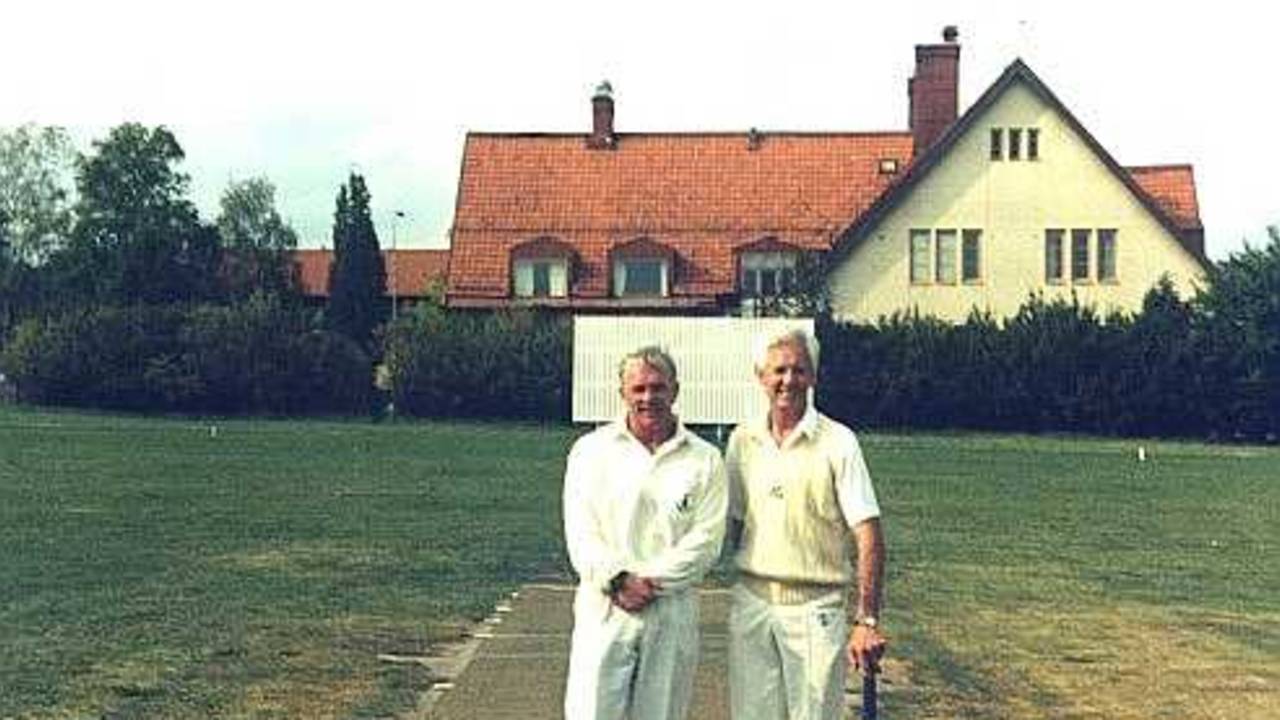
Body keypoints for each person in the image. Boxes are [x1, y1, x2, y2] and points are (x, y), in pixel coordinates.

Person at [726, 327, 887, 720]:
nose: (788, 380)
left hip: (816, 610)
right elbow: (733, 526)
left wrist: (866, 620)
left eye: (799, 370)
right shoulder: (741, 441)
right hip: (753, 605)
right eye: (778, 370)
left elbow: (869, 536)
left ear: (813, 377)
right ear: (760, 376)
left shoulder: (839, 442)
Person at [563, 345, 728, 720]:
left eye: (657, 387)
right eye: (638, 389)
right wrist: (618, 579)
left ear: (675, 390)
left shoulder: (705, 459)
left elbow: (706, 542)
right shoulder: (590, 452)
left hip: (670, 612)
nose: (648, 397)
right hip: (605, 607)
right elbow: (581, 532)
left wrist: (648, 583)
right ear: (622, 392)